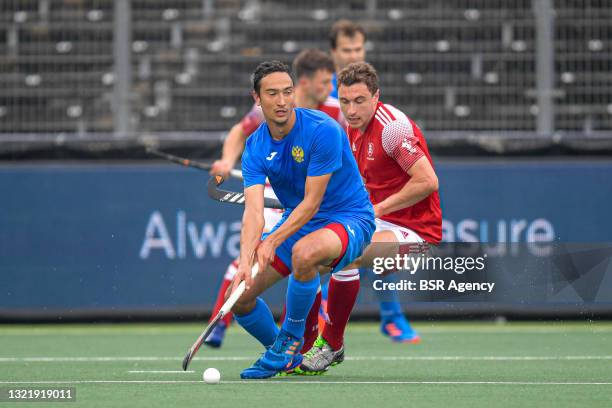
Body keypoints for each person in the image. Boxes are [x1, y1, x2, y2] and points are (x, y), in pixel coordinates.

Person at [227, 60, 375, 379]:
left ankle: (291, 341)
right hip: (300, 224)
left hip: (348, 218)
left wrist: (272, 240)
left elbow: (311, 203)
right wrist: (244, 261)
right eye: (272, 94)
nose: (281, 101)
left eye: (287, 92)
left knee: (304, 254)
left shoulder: (323, 130)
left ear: (295, 93)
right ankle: (282, 355)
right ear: (256, 98)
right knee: (239, 299)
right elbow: (252, 212)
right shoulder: (254, 147)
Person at [300, 62, 442, 374]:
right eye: (346, 101)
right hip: (378, 224)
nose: (351, 110)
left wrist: (376, 210)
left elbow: (428, 181)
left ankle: (332, 344)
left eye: (360, 101)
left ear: (376, 97)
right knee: (308, 256)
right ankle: (305, 344)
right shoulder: (347, 127)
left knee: (345, 254)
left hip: (417, 233)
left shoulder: (392, 128)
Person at [204, 49, 345, 349]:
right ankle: (222, 321)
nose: (328, 88)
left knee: (313, 261)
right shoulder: (265, 110)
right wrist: (227, 160)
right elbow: (237, 134)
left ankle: (309, 337)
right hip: (274, 192)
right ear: (306, 82)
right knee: (251, 255)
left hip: (317, 199)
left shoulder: (333, 114)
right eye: (323, 81)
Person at [326, 19, 420, 343]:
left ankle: (390, 317)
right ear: (333, 52)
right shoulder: (319, 93)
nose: (353, 55)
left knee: (362, 246)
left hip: (362, 180)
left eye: (358, 49)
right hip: (335, 175)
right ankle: (325, 325)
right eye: (347, 50)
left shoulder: (366, 94)